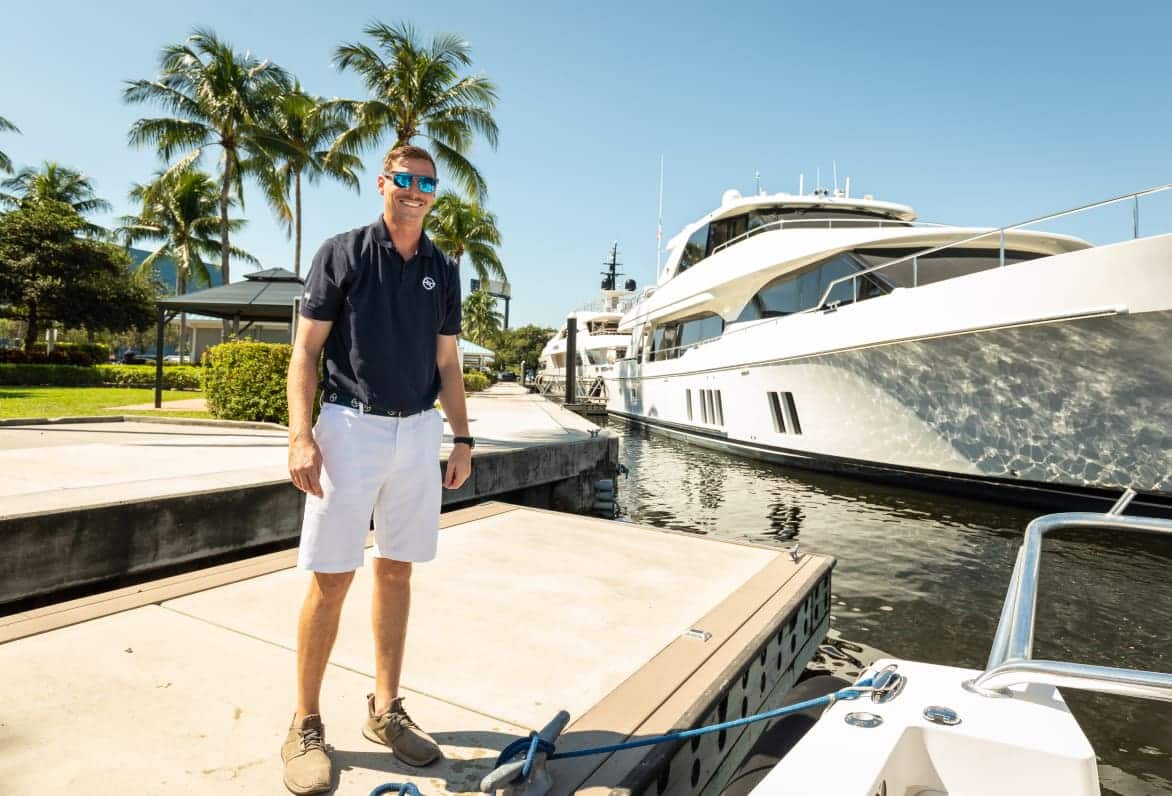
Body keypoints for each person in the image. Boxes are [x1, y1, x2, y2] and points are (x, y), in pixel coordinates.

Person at [281, 144, 474, 795]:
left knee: (396, 571)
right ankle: (305, 721)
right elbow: (305, 352)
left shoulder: (442, 269)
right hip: (347, 427)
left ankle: (384, 710)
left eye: (426, 182)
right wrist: (300, 435)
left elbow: (448, 363)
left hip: (419, 433)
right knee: (331, 578)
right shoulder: (343, 252)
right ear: (382, 183)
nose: (415, 190)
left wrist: (464, 438)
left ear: (433, 192)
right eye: (404, 179)